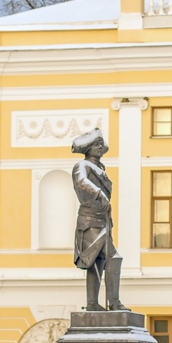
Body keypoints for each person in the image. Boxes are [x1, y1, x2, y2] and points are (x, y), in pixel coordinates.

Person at [71, 129, 126, 311]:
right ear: (87, 148)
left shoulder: (100, 168)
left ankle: (94, 304)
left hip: (101, 220)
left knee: (99, 261)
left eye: (101, 144)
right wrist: (100, 194)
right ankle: (113, 302)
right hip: (89, 221)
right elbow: (81, 182)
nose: (100, 147)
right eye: (96, 144)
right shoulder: (82, 165)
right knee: (110, 257)